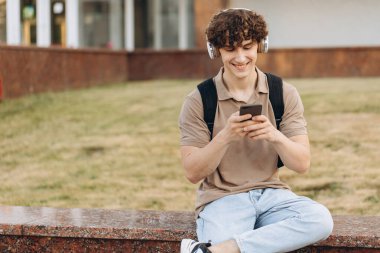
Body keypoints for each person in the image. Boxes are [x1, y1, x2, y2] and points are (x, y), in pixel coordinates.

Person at [178, 8, 333, 253]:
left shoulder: (283, 93)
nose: (240, 58)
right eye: (230, 49)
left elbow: (302, 163)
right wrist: (226, 136)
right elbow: (192, 172)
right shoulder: (199, 99)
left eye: (247, 47)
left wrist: (274, 135)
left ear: (261, 45)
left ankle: (215, 251)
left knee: (320, 220)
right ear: (215, 49)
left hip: (273, 196)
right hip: (222, 199)